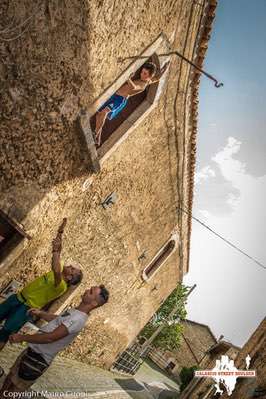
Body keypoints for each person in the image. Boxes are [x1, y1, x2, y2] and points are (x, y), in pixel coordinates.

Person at [0, 285, 109, 394]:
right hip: (32, 351)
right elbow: (58, 320)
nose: (86, 290)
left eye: (90, 292)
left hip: (38, 359)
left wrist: (21, 337)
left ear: (94, 303)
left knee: (13, 390)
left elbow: (50, 337)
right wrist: (41, 313)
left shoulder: (78, 319)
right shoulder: (75, 311)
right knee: (9, 380)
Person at [0, 218, 82, 359]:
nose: (71, 266)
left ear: (69, 278)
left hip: (25, 308)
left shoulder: (61, 286)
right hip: (17, 298)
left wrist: (56, 251)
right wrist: (60, 231)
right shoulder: (60, 267)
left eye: (73, 270)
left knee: (4, 334)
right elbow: (57, 253)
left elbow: (56, 268)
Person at [94, 60, 170, 146]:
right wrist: (165, 67)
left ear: (149, 76)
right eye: (142, 72)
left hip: (120, 100)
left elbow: (134, 87)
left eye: (145, 74)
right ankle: (98, 139)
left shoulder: (143, 85)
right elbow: (157, 78)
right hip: (114, 95)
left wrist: (128, 78)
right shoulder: (149, 81)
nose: (142, 74)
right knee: (99, 115)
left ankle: (95, 134)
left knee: (105, 112)